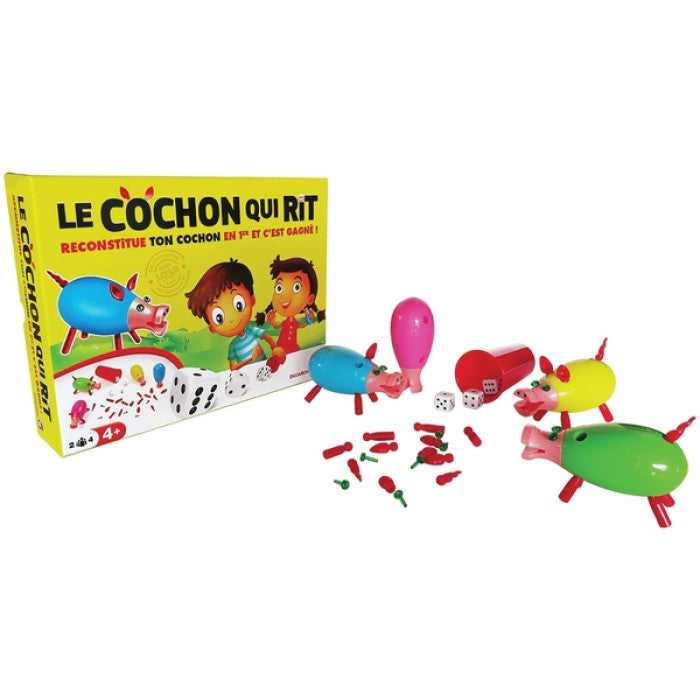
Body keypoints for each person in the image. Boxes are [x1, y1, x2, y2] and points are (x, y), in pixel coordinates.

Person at [185, 258, 285, 371]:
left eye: (239, 305)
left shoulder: (251, 330)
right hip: (246, 376)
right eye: (219, 317)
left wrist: (275, 348)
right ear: (212, 328)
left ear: (252, 300)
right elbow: (233, 368)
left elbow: (266, 336)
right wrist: (251, 359)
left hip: (264, 369)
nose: (231, 319)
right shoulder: (233, 346)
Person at [255, 256, 325, 353]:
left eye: (297, 287)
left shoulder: (295, 322)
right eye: (279, 288)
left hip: (293, 346)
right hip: (282, 345)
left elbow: (301, 326)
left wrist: (308, 320)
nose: (284, 296)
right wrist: (272, 322)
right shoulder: (286, 322)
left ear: (310, 299)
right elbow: (277, 327)